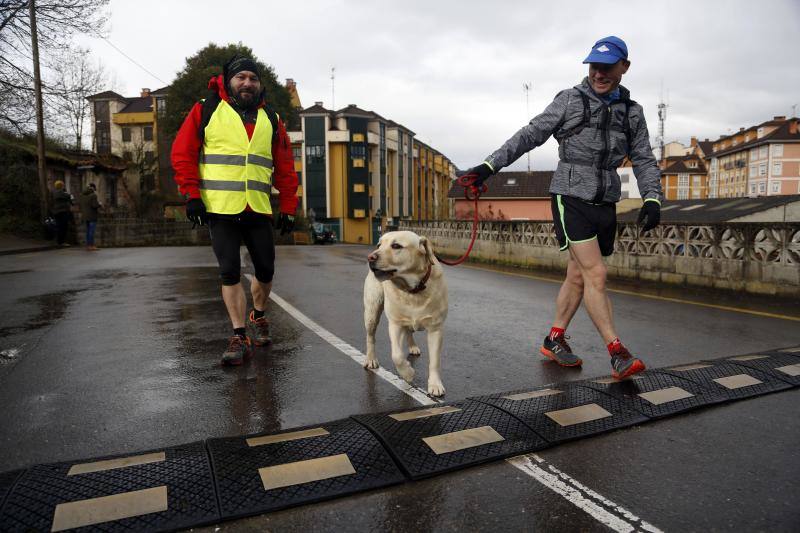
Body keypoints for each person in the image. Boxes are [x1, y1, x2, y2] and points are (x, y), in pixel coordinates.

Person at [463, 36, 662, 380]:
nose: (599, 73)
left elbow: (643, 157)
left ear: (624, 67)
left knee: (577, 275)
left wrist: (653, 197)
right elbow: (530, 135)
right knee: (596, 274)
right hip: (569, 195)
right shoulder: (569, 100)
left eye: (607, 67)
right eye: (593, 66)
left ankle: (554, 339)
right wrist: (489, 166)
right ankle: (617, 352)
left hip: (605, 199)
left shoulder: (633, 113)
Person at [172, 55, 299, 366]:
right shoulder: (207, 109)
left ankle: (258, 315)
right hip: (220, 208)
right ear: (228, 80)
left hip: (257, 207)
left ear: (259, 84)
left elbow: (284, 165)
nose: (247, 83)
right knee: (229, 272)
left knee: (266, 271)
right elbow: (182, 152)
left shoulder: (272, 117)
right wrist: (191, 195)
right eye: (241, 77)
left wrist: (289, 205)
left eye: (253, 78)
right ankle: (239, 334)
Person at [79, 183, 101, 251]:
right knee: (91, 231)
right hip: (92, 216)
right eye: (94, 188)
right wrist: (99, 204)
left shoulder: (82, 195)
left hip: (85, 216)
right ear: (92, 188)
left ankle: (88, 245)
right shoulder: (93, 195)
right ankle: (91, 245)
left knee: (88, 231)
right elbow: (94, 205)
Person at [51, 180, 73, 246]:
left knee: (58, 226)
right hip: (62, 212)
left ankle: (58, 241)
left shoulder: (54, 192)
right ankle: (62, 242)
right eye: (63, 185)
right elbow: (70, 197)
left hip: (56, 212)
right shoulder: (61, 192)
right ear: (61, 186)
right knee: (63, 227)